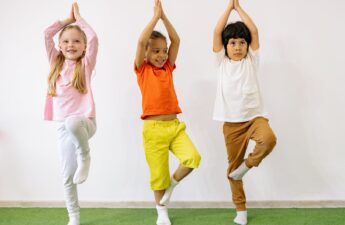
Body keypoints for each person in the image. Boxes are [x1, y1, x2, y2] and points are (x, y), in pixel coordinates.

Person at [134, 0, 201, 224]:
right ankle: (162, 212)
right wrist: (154, 17)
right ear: (145, 53)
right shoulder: (142, 70)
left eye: (163, 51)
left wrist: (164, 17)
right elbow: (142, 40)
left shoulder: (168, 68)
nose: (162, 55)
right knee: (158, 175)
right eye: (156, 51)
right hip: (153, 130)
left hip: (174, 126)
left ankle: (172, 184)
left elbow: (177, 40)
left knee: (193, 158)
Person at [213, 0, 277, 224]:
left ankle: (248, 165)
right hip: (231, 123)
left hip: (254, 118)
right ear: (226, 46)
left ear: (248, 46)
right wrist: (228, 9)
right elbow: (217, 32)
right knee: (232, 170)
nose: (238, 46)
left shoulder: (252, 60)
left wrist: (238, 8)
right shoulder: (221, 62)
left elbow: (255, 31)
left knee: (268, 139)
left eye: (242, 42)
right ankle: (241, 211)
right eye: (232, 43)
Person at [43, 3, 98, 225]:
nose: (71, 45)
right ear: (59, 46)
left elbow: (94, 38)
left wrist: (79, 19)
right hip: (65, 128)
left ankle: (85, 155)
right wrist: (66, 21)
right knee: (67, 175)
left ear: (84, 46)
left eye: (76, 41)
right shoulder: (55, 62)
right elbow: (46, 34)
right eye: (65, 41)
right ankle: (73, 217)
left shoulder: (85, 65)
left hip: (86, 123)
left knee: (73, 121)